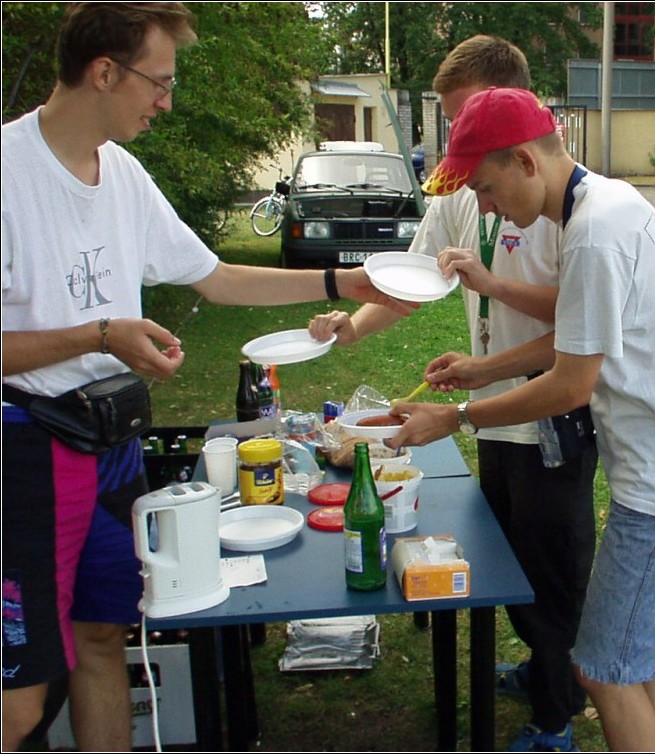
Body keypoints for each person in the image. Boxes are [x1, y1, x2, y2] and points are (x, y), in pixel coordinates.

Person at [0, 4, 414, 751]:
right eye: (157, 82)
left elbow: (215, 277)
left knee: (104, 640)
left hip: (113, 444)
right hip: (27, 454)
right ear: (103, 73)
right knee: (21, 700)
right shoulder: (7, 174)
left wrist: (339, 284)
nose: (166, 99)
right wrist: (100, 334)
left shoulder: (121, 172)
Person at [385, 87, 655, 752]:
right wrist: (481, 370)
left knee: (600, 668)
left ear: (524, 161)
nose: (485, 208)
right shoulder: (605, 204)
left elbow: (572, 384)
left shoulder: (595, 232)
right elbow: (579, 338)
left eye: (487, 189)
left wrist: (457, 415)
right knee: (641, 646)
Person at [309, 36, 597, 752]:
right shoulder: (467, 192)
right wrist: (349, 328)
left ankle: (559, 713)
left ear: (517, 112)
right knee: (514, 557)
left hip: (551, 415)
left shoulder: (567, 203)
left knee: (556, 570)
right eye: (450, 124)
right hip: (493, 418)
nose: (459, 145)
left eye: (469, 120)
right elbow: (409, 281)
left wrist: (490, 344)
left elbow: (583, 315)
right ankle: (541, 671)